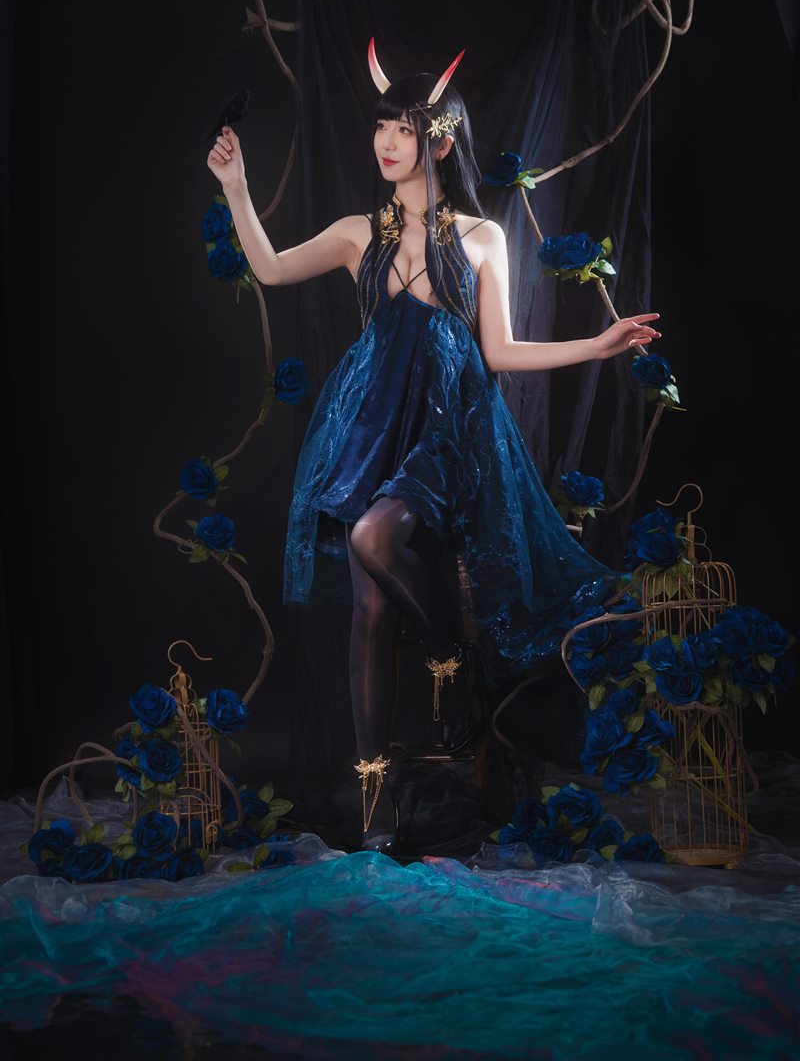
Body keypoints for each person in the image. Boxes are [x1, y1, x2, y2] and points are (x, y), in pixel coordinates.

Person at [206, 42, 661, 853]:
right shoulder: (360, 234)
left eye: (403, 130)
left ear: (441, 142)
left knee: (371, 537)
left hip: (451, 439)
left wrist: (595, 346)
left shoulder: (483, 238)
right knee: (370, 608)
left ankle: (451, 662)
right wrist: (238, 189)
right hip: (373, 432)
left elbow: (498, 352)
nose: (385, 142)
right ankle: (377, 806)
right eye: (380, 126)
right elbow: (270, 269)